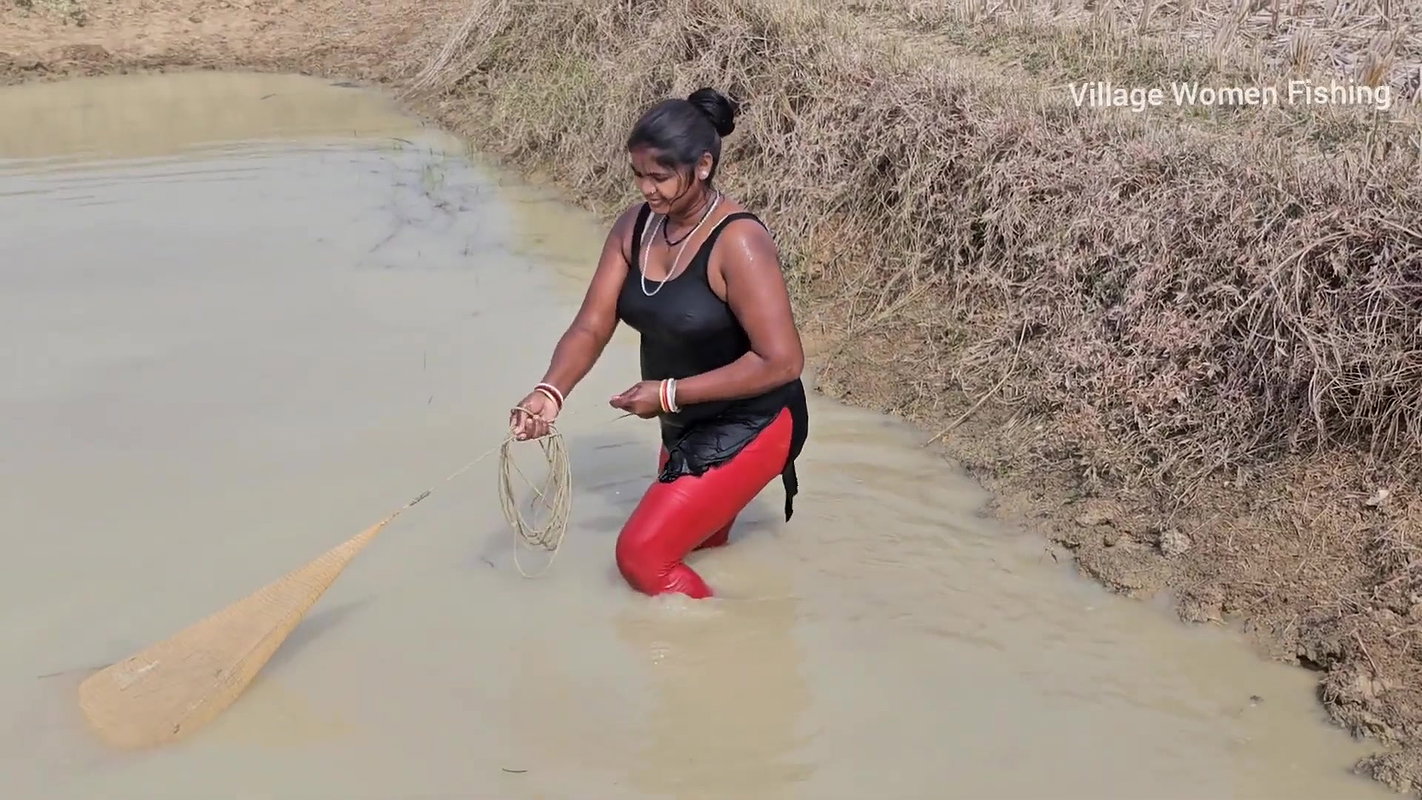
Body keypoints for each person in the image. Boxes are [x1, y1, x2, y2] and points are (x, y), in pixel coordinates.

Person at [508, 87, 810, 600]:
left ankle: (728, 638)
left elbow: (782, 361)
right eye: (638, 175)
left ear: (703, 166)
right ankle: (736, 634)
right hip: (680, 423)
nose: (647, 189)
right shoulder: (636, 227)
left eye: (661, 177)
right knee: (698, 547)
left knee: (642, 557)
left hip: (754, 422)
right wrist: (549, 392)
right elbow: (591, 325)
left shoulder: (738, 242)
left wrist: (668, 393)